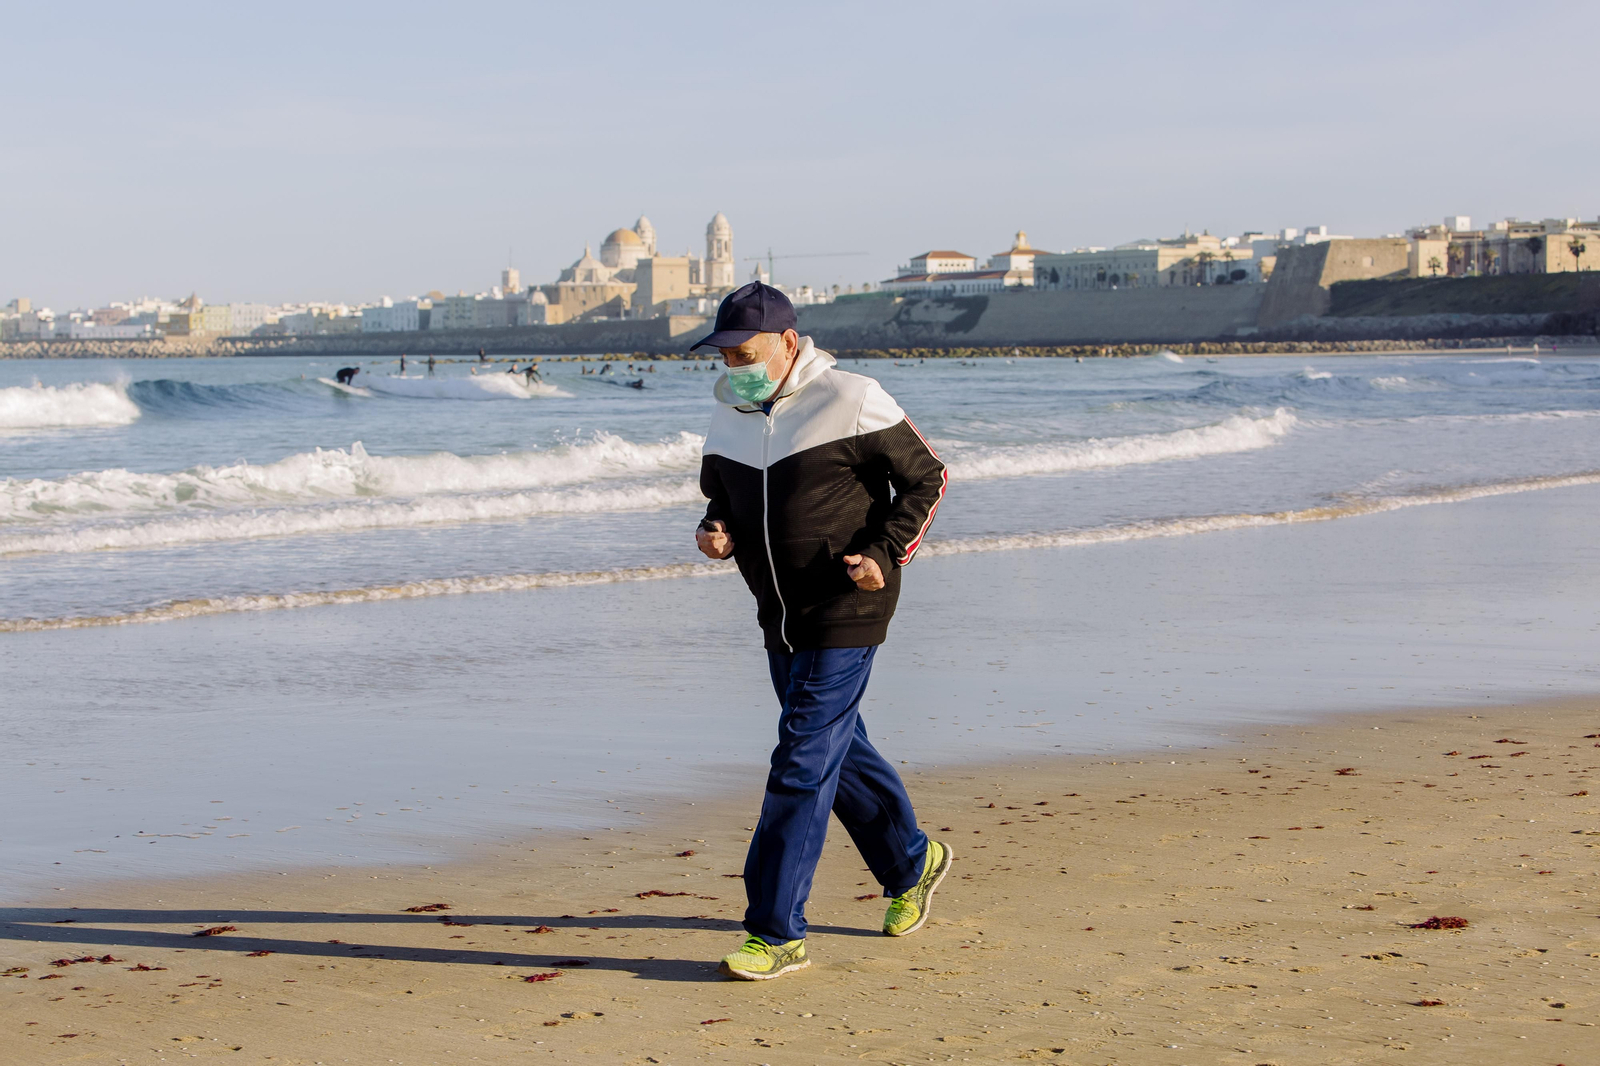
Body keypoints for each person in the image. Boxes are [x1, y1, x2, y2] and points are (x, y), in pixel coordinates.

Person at [693, 282, 951, 981]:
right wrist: (715, 532)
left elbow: (926, 479)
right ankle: (912, 860)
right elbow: (723, 499)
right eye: (722, 355)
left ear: (786, 341)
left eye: (744, 352)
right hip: (778, 611)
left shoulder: (852, 397)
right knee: (837, 752)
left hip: (848, 601)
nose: (733, 365)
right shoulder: (729, 416)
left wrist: (884, 550)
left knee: (802, 762)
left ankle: (776, 932)